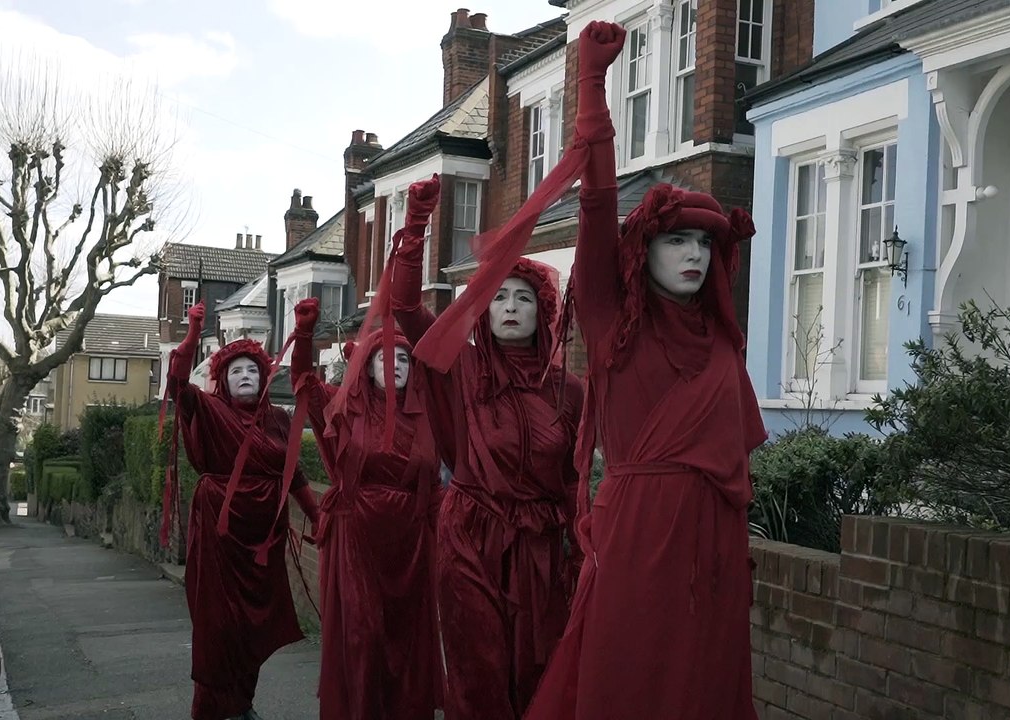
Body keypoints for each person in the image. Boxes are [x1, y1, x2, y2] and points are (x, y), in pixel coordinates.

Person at [524, 21, 767, 720]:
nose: (693, 253)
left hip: (715, 543)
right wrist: (593, 86)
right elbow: (598, 209)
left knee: (705, 684)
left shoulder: (721, 342)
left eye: (704, 242)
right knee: (629, 678)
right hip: (637, 536)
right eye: (676, 240)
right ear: (644, 251)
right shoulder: (612, 327)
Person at [388, 177, 584, 720]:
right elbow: (405, 306)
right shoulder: (461, 367)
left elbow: (573, 479)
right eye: (498, 297)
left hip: (541, 550)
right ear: (483, 310)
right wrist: (416, 223)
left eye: (523, 298)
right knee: (479, 677)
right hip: (471, 537)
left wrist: (582, 547)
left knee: (537, 678)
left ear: (541, 310)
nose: (512, 307)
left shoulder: (569, 390)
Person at [287, 179, 441, 720]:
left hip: (412, 545)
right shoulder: (341, 409)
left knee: (406, 648)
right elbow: (303, 382)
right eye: (385, 359)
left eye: (404, 361)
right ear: (367, 367)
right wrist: (304, 334)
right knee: (362, 642)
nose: (396, 366)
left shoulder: (430, 415)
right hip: (356, 539)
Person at [164, 302, 321, 720]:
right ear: (223, 381)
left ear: (265, 377)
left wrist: (318, 517)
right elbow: (178, 384)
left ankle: (242, 703)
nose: (246, 376)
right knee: (219, 626)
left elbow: (296, 475)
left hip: (263, 540)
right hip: (220, 536)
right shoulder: (210, 410)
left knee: (256, 625)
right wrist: (194, 334)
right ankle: (212, 711)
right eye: (236, 371)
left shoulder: (279, 420)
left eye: (253, 370)